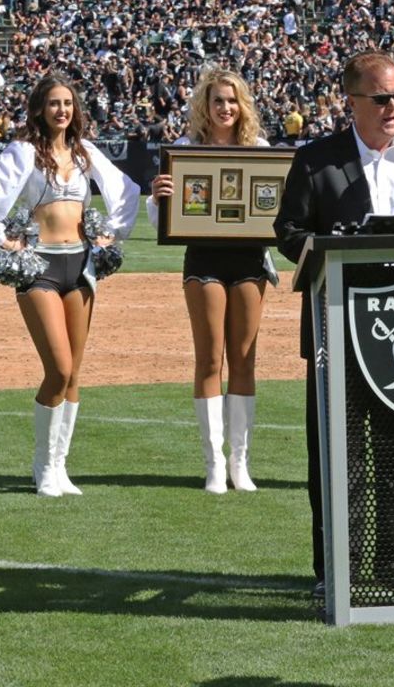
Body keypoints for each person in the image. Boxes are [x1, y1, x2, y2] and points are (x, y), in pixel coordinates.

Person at [273, 50, 394, 597]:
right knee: (338, 458)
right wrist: (328, 248)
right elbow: (288, 231)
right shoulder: (317, 161)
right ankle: (338, 564)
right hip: (338, 332)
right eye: (381, 99)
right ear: (352, 102)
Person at [0, 73, 140, 497]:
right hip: (38, 266)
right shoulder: (24, 152)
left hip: (80, 267)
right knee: (58, 369)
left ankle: (60, 468)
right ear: (40, 109)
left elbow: (127, 190)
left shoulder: (84, 152)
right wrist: (2, 239)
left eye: (68, 104)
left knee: (74, 373)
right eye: (55, 103)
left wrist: (112, 233)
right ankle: (42, 464)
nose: (63, 110)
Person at [147, 68, 278, 494]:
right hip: (203, 258)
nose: (225, 108)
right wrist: (160, 197)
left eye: (232, 100)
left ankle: (240, 462)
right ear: (206, 105)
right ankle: (214, 463)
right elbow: (162, 221)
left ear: (244, 106)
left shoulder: (260, 149)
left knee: (244, 360)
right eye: (218, 100)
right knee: (209, 359)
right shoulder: (186, 149)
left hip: (249, 260)